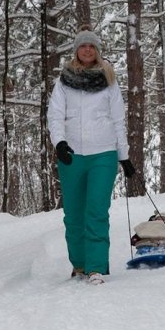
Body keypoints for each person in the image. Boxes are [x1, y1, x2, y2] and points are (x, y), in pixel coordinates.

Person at [47, 25, 136, 285]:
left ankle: (97, 268)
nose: (87, 49)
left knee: (96, 211)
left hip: (103, 154)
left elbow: (118, 120)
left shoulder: (109, 80)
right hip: (71, 155)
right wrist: (59, 143)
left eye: (92, 46)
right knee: (73, 215)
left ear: (97, 51)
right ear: (76, 51)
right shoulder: (63, 81)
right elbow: (55, 115)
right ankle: (79, 265)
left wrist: (124, 155)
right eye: (83, 46)